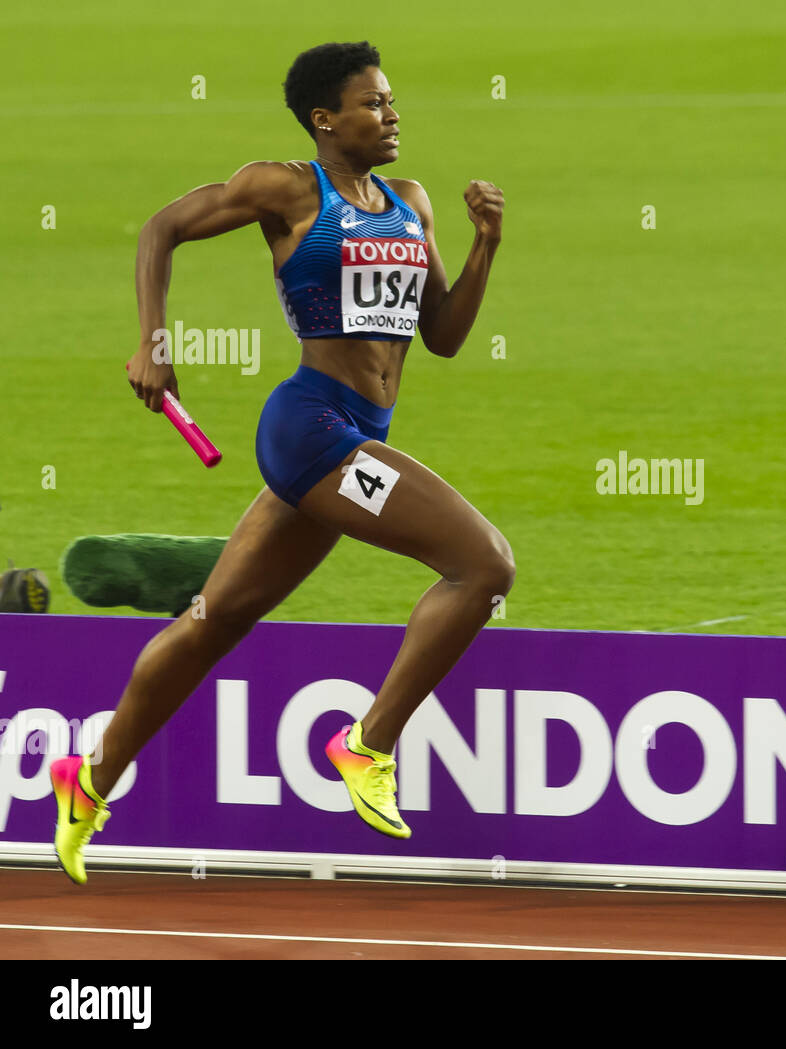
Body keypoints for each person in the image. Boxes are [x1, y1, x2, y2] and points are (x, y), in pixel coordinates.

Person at [50, 40, 513, 884]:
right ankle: (366, 744)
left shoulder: (410, 202)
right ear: (324, 120)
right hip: (311, 430)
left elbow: (441, 336)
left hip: (354, 436)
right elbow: (164, 227)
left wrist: (486, 243)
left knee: (212, 621)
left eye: (391, 99)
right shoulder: (289, 189)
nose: (390, 113)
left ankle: (90, 777)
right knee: (482, 565)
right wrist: (154, 341)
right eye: (371, 103)